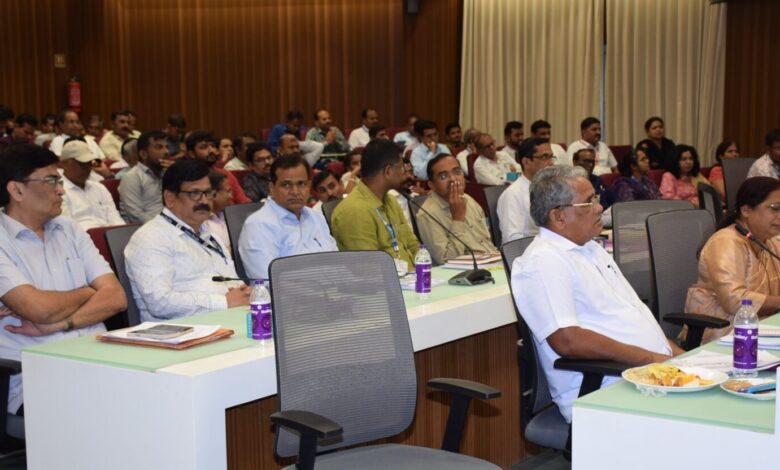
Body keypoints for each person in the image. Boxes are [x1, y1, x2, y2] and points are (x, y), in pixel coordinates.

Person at [511, 164, 678, 423]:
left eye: (596, 199)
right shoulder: (544, 261)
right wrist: (652, 359)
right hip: (605, 390)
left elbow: (630, 315)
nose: (600, 208)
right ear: (559, 216)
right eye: (588, 202)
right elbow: (568, 340)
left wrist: (679, 356)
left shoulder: (590, 248)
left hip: (645, 376)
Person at [0, 143, 126, 415]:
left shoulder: (69, 229)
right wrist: (88, 291)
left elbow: (116, 298)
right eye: (51, 181)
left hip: (101, 360)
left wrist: (62, 323)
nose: (61, 190)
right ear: (17, 190)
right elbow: (38, 309)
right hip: (38, 379)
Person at [124, 159, 251, 322]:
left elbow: (232, 282)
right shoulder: (151, 237)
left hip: (228, 320)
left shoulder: (209, 234)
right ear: (170, 198)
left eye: (208, 193)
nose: (204, 201)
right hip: (182, 330)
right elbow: (159, 303)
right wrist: (224, 302)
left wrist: (245, 294)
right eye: (194, 193)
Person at [686, 177, 780, 342]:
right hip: (723, 329)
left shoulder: (769, 241)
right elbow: (734, 300)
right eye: (775, 208)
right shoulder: (726, 241)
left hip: (762, 324)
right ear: (746, 210)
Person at [239, 155, 337, 280]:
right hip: (294, 292)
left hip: (334, 287)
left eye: (301, 184)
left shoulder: (316, 218)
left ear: (309, 186)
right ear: (272, 188)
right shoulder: (258, 226)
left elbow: (337, 262)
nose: (295, 192)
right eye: (286, 185)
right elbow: (268, 280)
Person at [331, 139, 420, 271]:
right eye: (401, 167)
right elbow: (368, 269)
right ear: (388, 171)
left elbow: (412, 245)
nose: (404, 174)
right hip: (387, 282)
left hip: (412, 278)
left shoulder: (391, 200)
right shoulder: (354, 211)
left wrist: (425, 273)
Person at [417, 155, 497, 265]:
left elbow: (487, 240)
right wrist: (458, 219)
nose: (453, 179)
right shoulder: (427, 215)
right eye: (443, 176)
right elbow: (446, 261)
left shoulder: (469, 199)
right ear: (432, 185)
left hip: (494, 261)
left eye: (457, 172)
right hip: (469, 270)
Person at [497, 138, 555, 242]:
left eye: (551, 157)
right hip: (532, 250)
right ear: (526, 162)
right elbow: (512, 240)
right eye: (545, 157)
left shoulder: (553, 189)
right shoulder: (513, 194)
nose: (551, 163)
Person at [59, 139, 125, 230]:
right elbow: (67, 228)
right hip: (80, 237)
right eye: (81, 164)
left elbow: (115, 219)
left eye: (89, 163)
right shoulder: (57, 191)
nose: (87, 168)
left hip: (110, 235)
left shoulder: (99, 188)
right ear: (65, 164)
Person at [185, 130, 251, 204]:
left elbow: (244, 202)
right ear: (192, 154)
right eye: (204, 147)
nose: (211, 150)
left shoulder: (225, 174)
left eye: (213, 146)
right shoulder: (187, 178)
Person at [119, 130, 168, 223]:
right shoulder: (132, 177)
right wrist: (162, 227)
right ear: (143, 154)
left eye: (166, 147)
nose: (166, 151)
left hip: (169, 225)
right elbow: (136, 215)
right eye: (159, 147)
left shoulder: (167, 173)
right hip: (145, 227)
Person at [202, 170, 234, 254]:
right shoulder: (201, 222)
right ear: (214, 194)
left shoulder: (230, 215)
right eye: (228, 191)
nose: (231, 196)